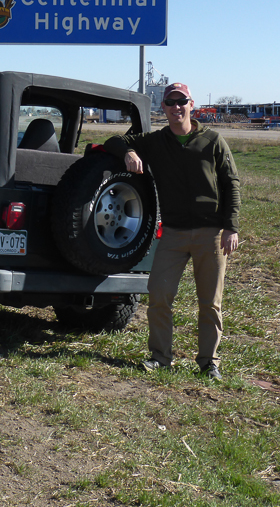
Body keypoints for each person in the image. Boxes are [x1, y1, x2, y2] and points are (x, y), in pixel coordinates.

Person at [104, 82, 240, 380]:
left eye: (182, 102)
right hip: (174, 234)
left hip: (211, 233)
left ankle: (209, 362)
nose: (177, 107)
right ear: (163, 108)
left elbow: (231, 184)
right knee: (159, 295)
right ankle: (160, 357)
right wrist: (128, 151)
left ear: (192, 105)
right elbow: (112, 139)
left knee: (210, 302)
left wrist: (231, 227)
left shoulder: (213, 141)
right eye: (170, 103)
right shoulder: (155, 142)